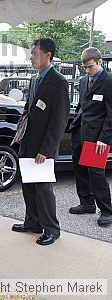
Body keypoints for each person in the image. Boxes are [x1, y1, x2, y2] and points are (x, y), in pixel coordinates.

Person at [11, 38, 70, 246]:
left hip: (43, 147)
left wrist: (46, 149)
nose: (31, 57)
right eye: (31, 53)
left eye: (35, 53)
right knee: (28, 186)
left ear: (48, 55)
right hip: (28, 142)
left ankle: (51, 229)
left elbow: (59, 120)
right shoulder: (35, 79)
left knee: (43, 189)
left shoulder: (59, 82)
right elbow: (29, 110)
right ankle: (33, 222)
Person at [68, 47, 112, 227]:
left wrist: (104, 138)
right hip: (80, 132)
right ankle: (86, 203)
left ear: (100, 62)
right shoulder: (84, 79)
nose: (87, 71)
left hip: (97, 137)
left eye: (90, 67)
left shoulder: (108, 81)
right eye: (84, 67)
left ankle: (107, 211)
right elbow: (82, 106)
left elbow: (111, 114)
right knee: (79, 168)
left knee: (96, 173)